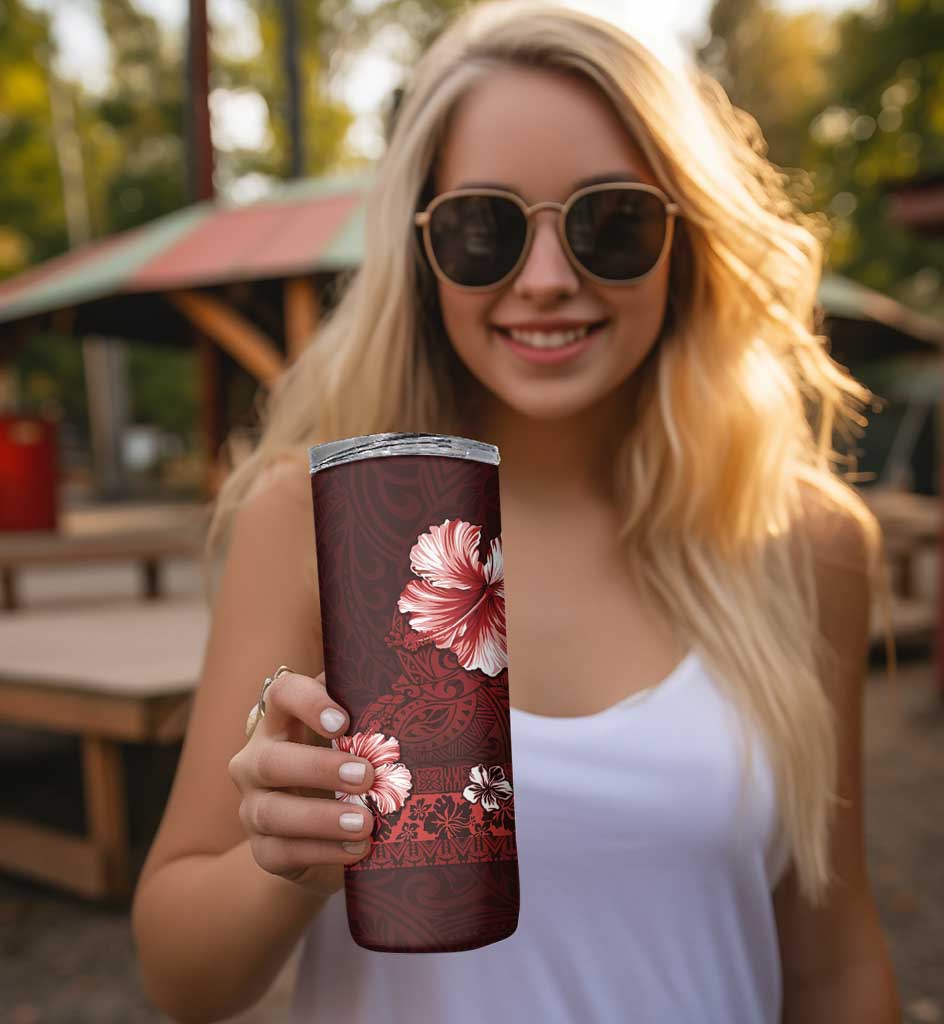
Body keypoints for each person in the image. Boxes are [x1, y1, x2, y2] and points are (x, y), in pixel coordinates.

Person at [131, 2, 902, 1021]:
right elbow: (180, 975)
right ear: (420, 250)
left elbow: (833, 962)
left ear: (688, 241)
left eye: (612, 222)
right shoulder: (315, 519)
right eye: (483, 228)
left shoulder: (804, 541)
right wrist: (287, 859)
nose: (546, 281)